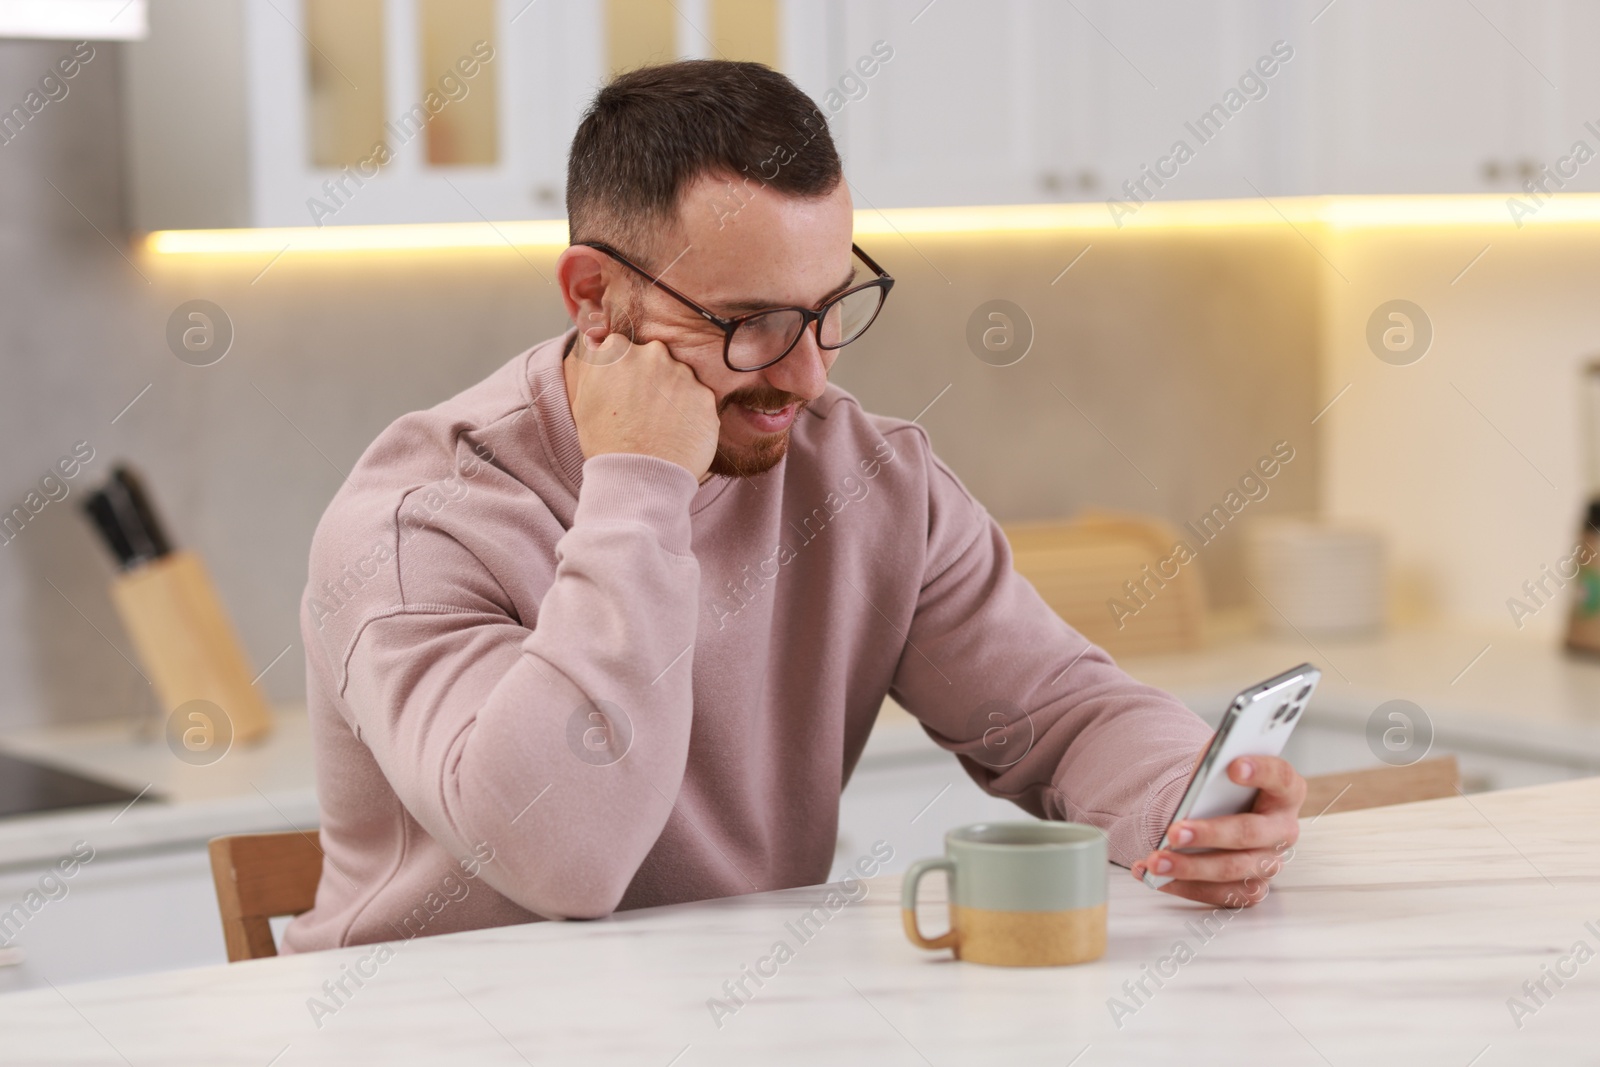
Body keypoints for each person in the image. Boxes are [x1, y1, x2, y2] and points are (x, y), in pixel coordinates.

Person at [282, 60, 1305, 953]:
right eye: (746, 323)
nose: (807, 376)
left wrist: (1184, 799)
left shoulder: (863, 476)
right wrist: (639, 483)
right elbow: (563, 859)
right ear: (593, 295)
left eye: (827, 310)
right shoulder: (417, 523)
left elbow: (1064, 717)